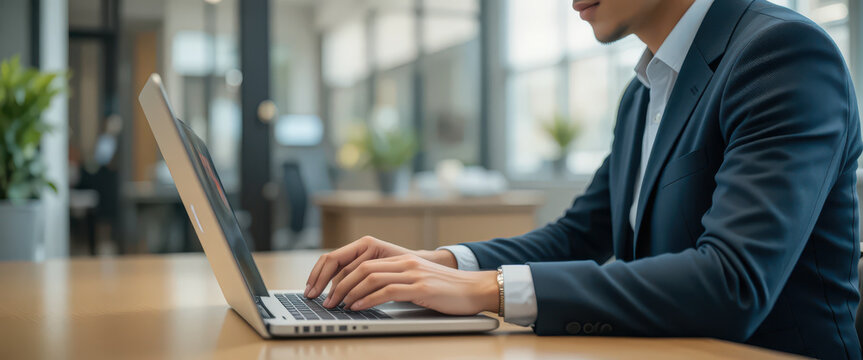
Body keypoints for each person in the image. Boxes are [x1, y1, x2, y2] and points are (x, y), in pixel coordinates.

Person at [305, 0, 862, 358]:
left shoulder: (781, 54)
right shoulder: (644, 90)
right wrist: (440, 264)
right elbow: (581, 233)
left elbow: (732, 282)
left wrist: (489, 291)